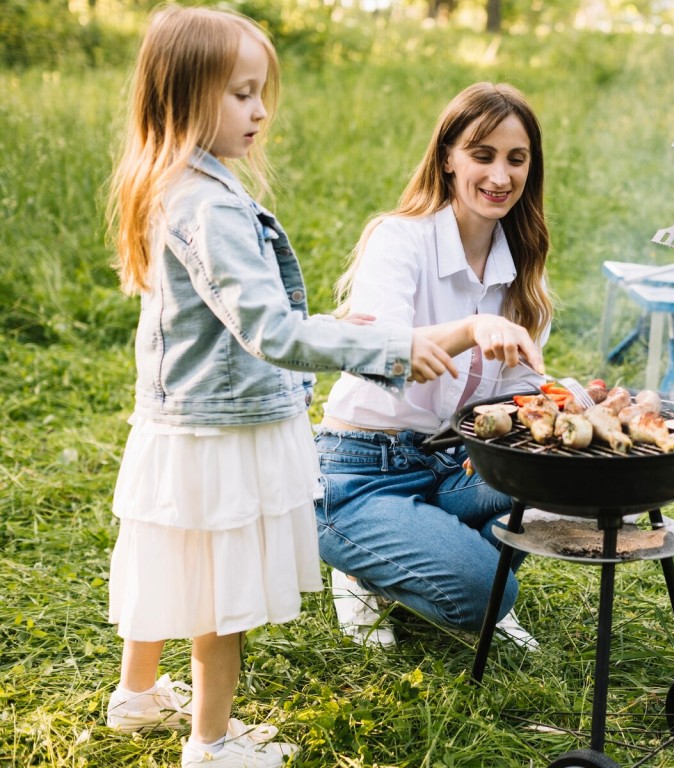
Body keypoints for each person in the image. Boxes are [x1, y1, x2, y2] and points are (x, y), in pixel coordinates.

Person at [102, 7, 463, 767]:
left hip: (182, 424)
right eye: (239, 93)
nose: (259, 110)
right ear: (182, 96)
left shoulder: (177, 185)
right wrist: (390, 346)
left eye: (260, 91)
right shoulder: (210, 205)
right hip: (221, 434)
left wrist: (337, 323)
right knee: (215, 595)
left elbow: (242, 319)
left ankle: (136, 697)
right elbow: (269, 332)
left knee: (169, 555)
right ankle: (211, 742)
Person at [315, 82, 552, 650]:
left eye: (516, 160)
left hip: (453, 464)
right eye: (482, 154)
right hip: (362, 472)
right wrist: (471, 330)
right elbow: (379, 355)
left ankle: (426, 551)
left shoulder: (521, 268)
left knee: (558, 486)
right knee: (481, 593)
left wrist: (553, 401)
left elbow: (519, 391)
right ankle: (362, 566)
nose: (500, 177)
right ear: (448, 157)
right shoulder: (400, 240)